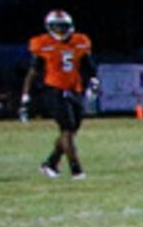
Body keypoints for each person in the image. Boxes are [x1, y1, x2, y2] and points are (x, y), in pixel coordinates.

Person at [20, 9, 94, 179]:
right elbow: (32, 72)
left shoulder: (80, 41)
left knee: (72, 129)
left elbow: (89, 66)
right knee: (67, 128)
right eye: (57, 27)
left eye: (63, 27)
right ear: (49, 27)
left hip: (75, 88)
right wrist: (26, 96)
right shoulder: (42, 44)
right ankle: (77, 170)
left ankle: (50, 164)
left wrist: (94, 82)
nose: (60, 31)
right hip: (53, 89)